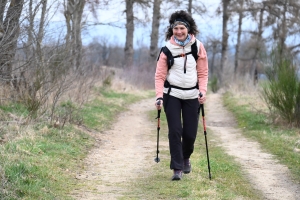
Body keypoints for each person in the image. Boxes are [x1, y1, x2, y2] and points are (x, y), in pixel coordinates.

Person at [154, 10, 208, 181]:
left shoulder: (197, 46)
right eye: (176, 28)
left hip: (192, 94)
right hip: (172, 94)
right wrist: (159, 96)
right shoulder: (166, 49)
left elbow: (203, 73)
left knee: (190, 134)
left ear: (188, 29)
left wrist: (203, 91)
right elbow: (160, 75)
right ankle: (177, 168)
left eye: (182, 28)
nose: (179, 31)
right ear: (172, 30)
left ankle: (186, 158)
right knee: (175, 131)